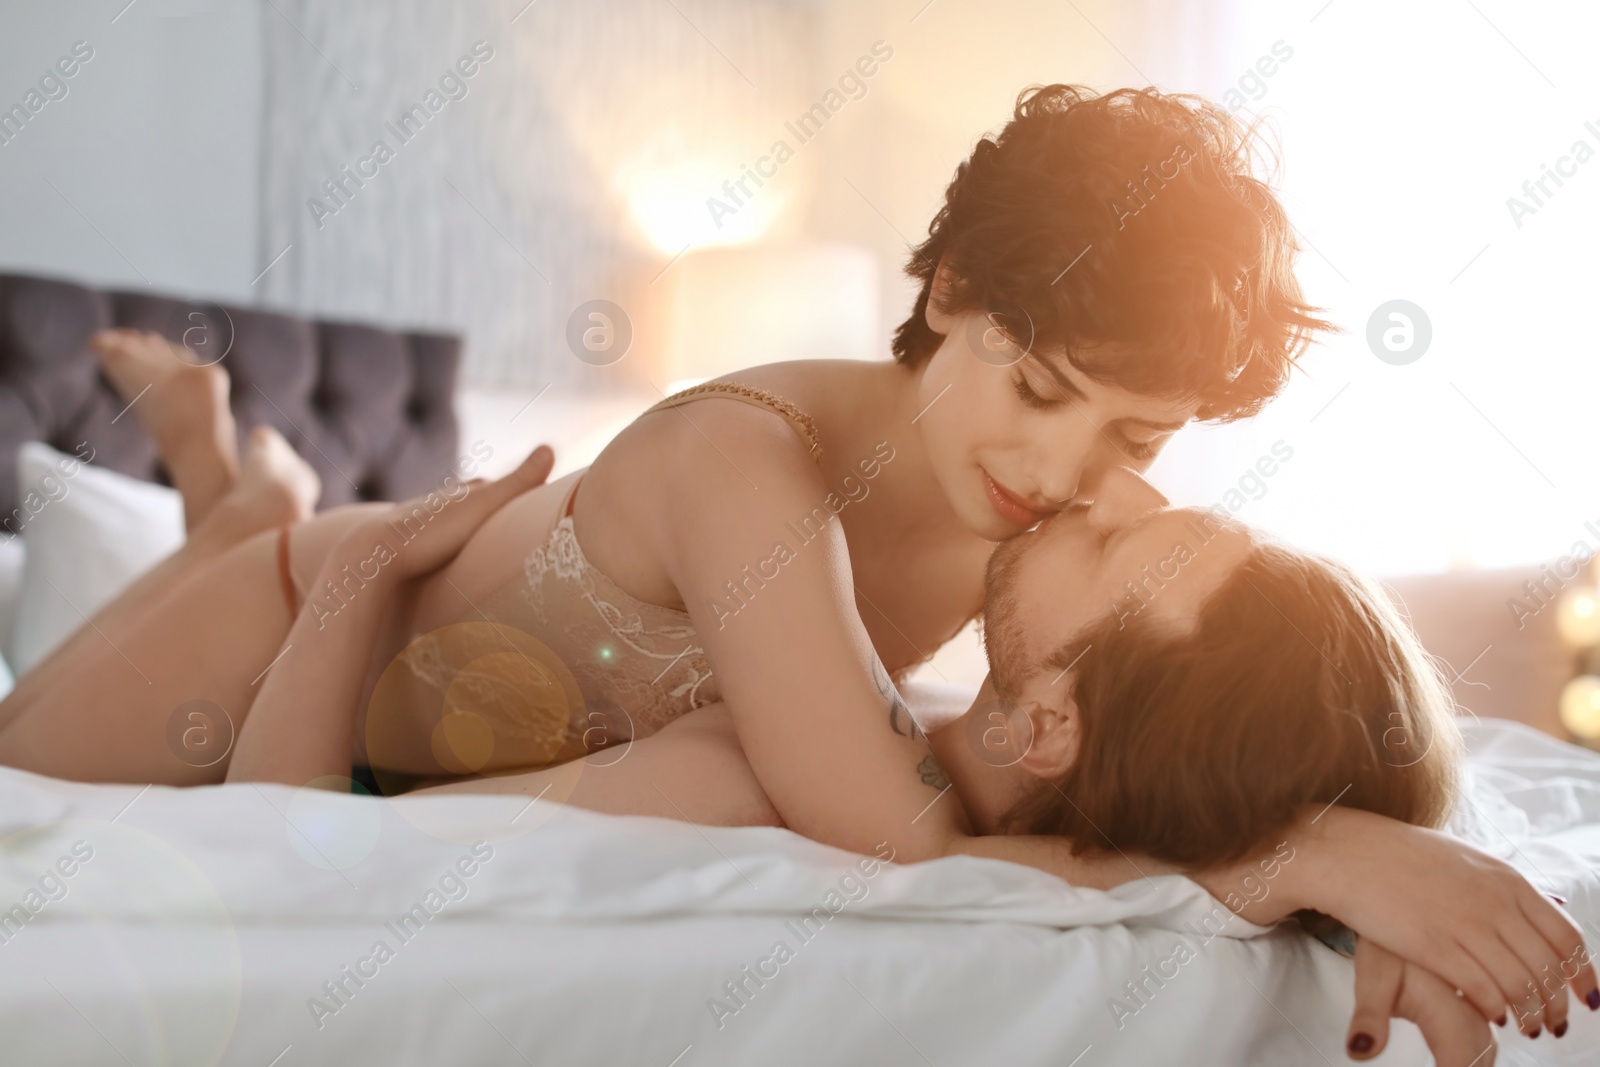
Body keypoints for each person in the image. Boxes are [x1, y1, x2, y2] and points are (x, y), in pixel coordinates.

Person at [0, 83, 1588, 1061]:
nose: (1058, 481)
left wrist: (1306, 807)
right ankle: (238, 497)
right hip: (290, 622)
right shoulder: (744, 465)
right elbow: (900, 831)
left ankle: (245, 478)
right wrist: (1296, 859)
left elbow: (1153, 726)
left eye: (1137, 445)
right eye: (1042, 394)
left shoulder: (1021, 519)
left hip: (464, 738)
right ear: (953, 291)